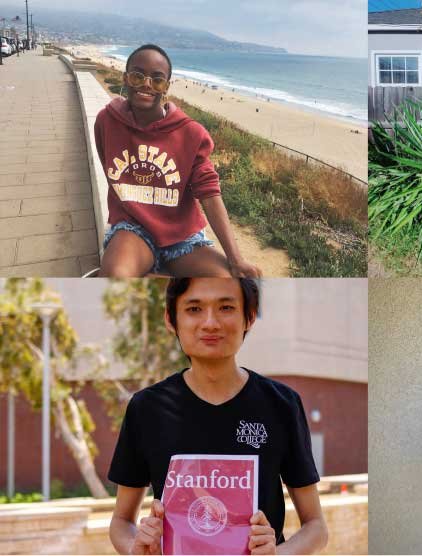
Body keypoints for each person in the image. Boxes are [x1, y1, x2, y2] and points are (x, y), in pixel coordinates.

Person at [108, 278, 327, 555]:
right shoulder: (147, 408)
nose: (210, 323)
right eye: (194, 309)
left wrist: (277, 554)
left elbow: (316, 526)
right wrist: (134, 547)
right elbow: (121, 521)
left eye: (226, 307)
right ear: (170, 319)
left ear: (249, 317)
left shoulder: (281, 404)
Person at [94, 44, 261, 278]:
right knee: (116, 277)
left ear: (166, 87)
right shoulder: (106, 122)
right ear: (126, 78)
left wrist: (236, 260)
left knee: (227, 283)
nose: (146, 84)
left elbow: (209, 194)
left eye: (157, 79)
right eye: (137, 75)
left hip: (182, 237)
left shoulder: (191, 133)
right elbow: (108, 165)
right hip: (132, 230)